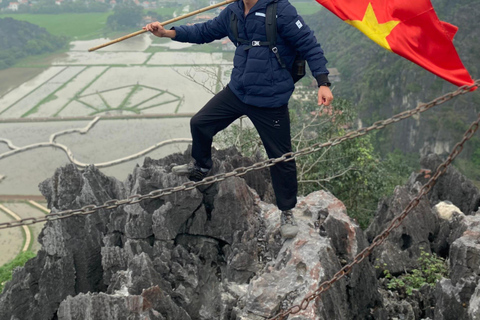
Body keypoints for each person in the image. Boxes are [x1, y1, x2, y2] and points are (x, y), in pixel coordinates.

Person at [144, 0, 333, 239]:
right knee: (200, 123)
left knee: (280, 157)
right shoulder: (233, 11)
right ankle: (201, 166)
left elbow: (309, 45)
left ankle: (286, 211)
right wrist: (167, 33)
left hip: (270, 99)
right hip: (238, 91)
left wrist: (323, 83)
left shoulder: (280, 10)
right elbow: (205, 31)